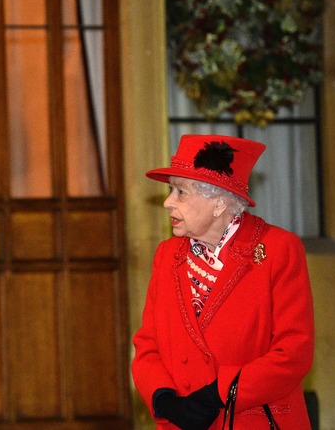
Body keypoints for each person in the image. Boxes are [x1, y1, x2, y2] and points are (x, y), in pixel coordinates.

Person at [132, 134, 314, 429]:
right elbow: (147, 344)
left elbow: (293, 352)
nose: (167, 202)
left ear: (218, 203)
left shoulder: (279, 249)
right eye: (170, 191)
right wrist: (163, 398)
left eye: (180, 192)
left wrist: (218, 393)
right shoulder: (167, 255)